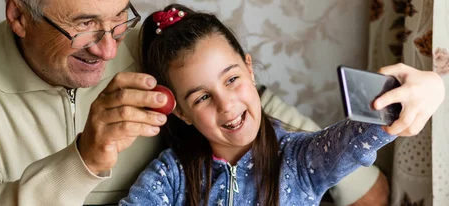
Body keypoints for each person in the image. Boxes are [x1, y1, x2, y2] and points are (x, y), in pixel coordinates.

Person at [0, 0, 405, 205]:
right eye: (82, 26)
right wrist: (82, 160)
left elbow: (250, 107)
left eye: (119, 17)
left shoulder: (151, 42)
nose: (109, 49)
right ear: (19, 15)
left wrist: (396, 114)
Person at [119, 4, 444, 206]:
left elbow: (357, 137)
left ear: (249, 68)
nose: (226, 103)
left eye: (231, 79)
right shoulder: (169, 176)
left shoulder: (299, 159)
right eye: (202, 97)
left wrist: (431, 87)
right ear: (181, 112)